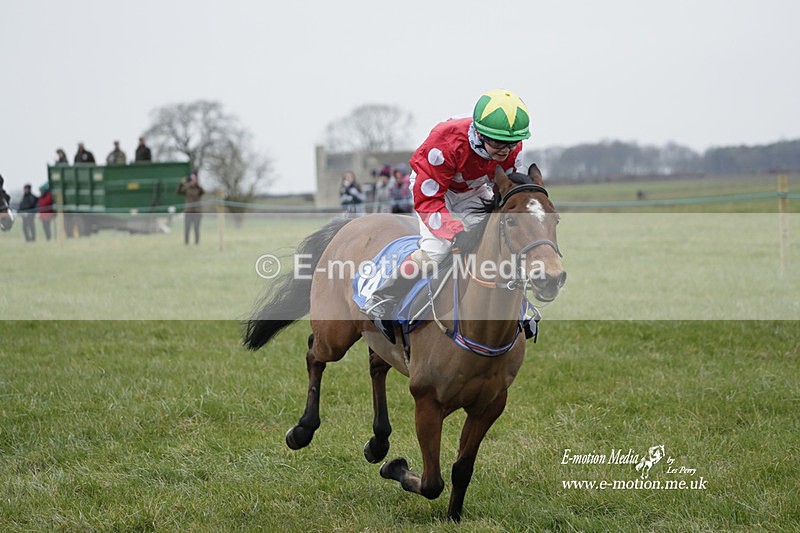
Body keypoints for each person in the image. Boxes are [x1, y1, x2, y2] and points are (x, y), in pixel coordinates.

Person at [363, 88, 532, 328]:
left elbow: (503, 188)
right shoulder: (445, 142)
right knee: (436, 250)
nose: (505, 150)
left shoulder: (512, 146)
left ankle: (520, 306)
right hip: (433, 188)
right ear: (480, 133)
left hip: (472, 190)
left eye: (511, 143)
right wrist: (454, 230)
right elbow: (429, 199)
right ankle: (384, 295)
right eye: (498, 143)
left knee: (498, 241)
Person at [177, 171, 205, 245]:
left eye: (194, 178)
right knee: (187, 228)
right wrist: (181, 184)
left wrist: (197, 184)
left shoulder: (199, 188)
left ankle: (197, 243)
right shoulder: (187, 188)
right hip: (188, 211)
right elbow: (179, 192)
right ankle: (186, 243)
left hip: (197, 212)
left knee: (196, 228)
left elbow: (203, 192)